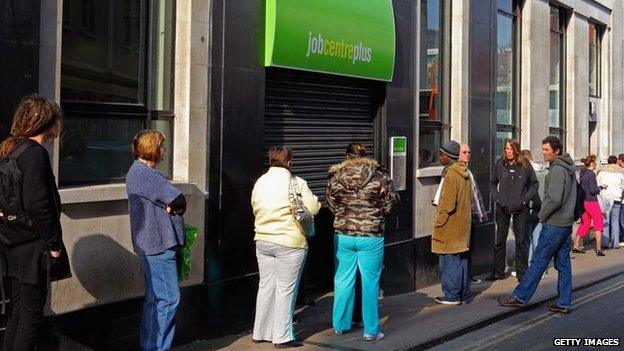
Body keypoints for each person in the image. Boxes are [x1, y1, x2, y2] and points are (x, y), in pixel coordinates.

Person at [0, 94, 70, 351]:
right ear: (46, 122)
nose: (59, 124)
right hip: (33, 249)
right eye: (57, 119)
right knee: (30, 317)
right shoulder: (35, 154)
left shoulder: (11, 149)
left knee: (16, 315)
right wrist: (54, 246)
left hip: (12, 244)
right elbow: (39, 205)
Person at [327, 143, 398, 341]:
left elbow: (331, 204)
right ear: (365, 155)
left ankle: (340, 325)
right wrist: (375, 215)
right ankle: (371, 331)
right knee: (370, 283)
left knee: (342, 280)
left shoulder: (335, 177)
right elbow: (390, 205)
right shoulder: (380, 177)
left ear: (347, 157)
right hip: (371, 236)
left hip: (343, 234)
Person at [251, 147, 321, 348]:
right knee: (286, 290)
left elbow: (254, 205)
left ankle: (260, 331)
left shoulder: (260, 182)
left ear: (271, 160)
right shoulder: (296, 182)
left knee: (265, 286)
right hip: (289, 243)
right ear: (289, 162)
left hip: (263, 240)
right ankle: (282, 337)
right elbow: (314, 207)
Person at [499, 136, 576, 314]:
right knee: (563, 264)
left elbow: (554, 199)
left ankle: (520, 296)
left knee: (538, 261)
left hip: (554, 224)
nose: (543, 152)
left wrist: (542, 215)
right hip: (566, 224)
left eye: (547, 150)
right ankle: (564, 303)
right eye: (542, 149)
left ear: (557, 151)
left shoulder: (557, 170)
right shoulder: (569, 169)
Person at [126, 130, 187, 351]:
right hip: (158, 245)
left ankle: (150, 346)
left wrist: (169, 205)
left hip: (152, 245)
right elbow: (179, 200)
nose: (164, 150)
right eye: (161, 146)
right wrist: (171, 205)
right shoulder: (146, 174)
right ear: (152, 149)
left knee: (155, 301)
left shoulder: (139, 173)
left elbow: (174, 202)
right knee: (169, 299)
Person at [487, 139, 538, 282]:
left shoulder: (525, 165)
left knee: (520, 241)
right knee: (500, 241)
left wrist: (524, 200)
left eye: (510, 149)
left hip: (521, 209)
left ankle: (522, 273)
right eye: (506, 149)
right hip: (502, 207)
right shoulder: (499, 163)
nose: (508, 151)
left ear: (516, 150)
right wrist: (497, 199)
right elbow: (492, 183)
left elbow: (534, 185)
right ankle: (498, 272)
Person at [431, 140, 473, 305]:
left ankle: (451, 295)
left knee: (449, 260)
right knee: (461, 258)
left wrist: (438, 223)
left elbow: (447, 204)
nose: (440, 157)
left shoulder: (450, 174)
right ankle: (464, 293)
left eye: (441, 155)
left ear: (448, 157)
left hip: (450, 225)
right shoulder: (465, 172)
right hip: (463, 223)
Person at [459, 143, 487, 284]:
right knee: (463, 249)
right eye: (464, 152)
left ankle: (469, 276)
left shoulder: (467, 171)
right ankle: (465, 279)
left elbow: (475, 193)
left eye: (469, 152)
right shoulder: (455, 172)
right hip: (463, 216)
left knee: (470, 247)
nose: (468, 154)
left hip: (472, 215)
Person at [573, 154, 606, 256]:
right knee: (598, 223)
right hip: (591, 201)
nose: (597, 164)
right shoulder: (591, 174)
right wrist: (601, 187)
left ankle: (576, 245)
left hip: (583, 202)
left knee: (585, 223)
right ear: (592, 163)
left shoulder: (582, 173)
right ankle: (599, 248)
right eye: (596, 162)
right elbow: (593, 190)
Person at [521, 149, 549, 269]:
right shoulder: (545, 171)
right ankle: (540, 269)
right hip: (542, 209)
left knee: (527, 239)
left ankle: (529, 267)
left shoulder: (525, 172)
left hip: (528, 208)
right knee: (538, 239)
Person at [596, 155, 624, 249]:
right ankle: (615, 243)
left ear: (607, 161)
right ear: (616, 161)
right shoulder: (621, 173)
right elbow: (623, 186)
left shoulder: (601, 172)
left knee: (606, 220)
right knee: (615, 221)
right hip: (617, 198)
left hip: (605, 198)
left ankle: (605, 242)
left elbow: (598, 184)